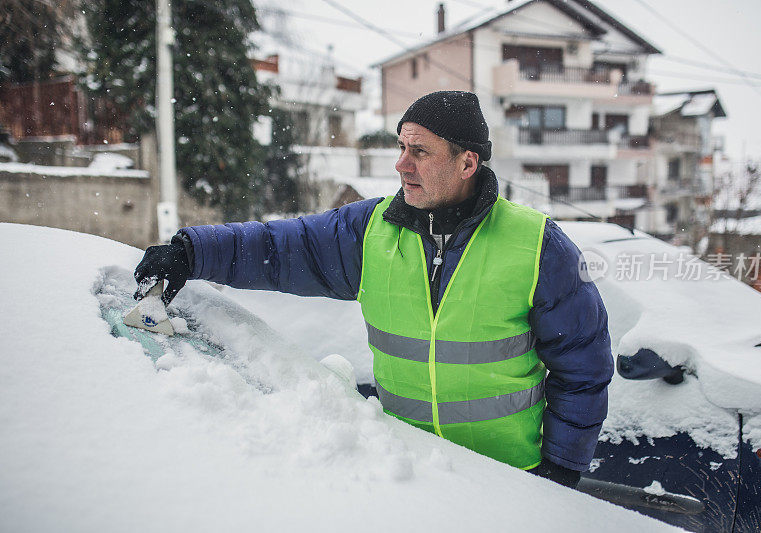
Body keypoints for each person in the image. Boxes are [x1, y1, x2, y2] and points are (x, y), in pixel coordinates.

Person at [134, 90, 613, 488]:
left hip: (510, 483)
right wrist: (193, 252)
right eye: (401, 148)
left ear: (467, 162)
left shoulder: (537, 245)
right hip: (409, 472)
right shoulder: (372, 230)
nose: (401, 164)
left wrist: (562, 469)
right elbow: (282, 248)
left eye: (419, 151)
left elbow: (583, 367)